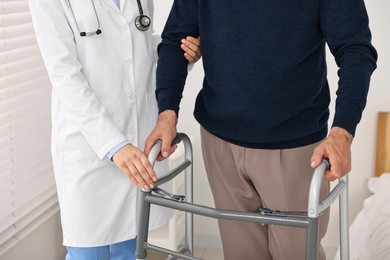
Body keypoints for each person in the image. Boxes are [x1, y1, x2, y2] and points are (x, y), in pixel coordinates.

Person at [145, 0, 378, 259]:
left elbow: (356, 49)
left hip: (295, 148)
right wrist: (167, 114)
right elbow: (176, 40)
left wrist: (342, 132)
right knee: (241, 254)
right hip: (219, 143)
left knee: (296, 254)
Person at [28, 0, 201, 259]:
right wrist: (114, 145)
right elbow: (64, 74)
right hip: (90, 146)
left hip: (137, 141)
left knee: (130, 249)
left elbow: (140, 46)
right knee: (87, 252)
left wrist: (179, 54)